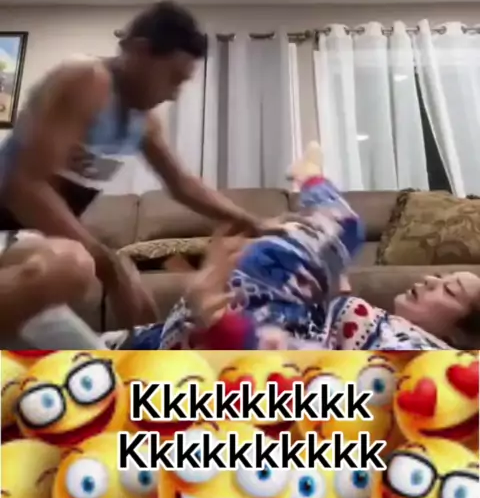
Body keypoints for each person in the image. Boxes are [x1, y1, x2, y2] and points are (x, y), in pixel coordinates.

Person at [0, 1, 281, 332]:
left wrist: (253, 222)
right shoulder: (87, 79)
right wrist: (108, 263)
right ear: (139, 51)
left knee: (134, 318)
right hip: (9, 227)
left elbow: (183, 184)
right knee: (78, 264)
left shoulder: (144, 123)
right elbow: (23, 187)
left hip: (28, 241)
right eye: (172, 78)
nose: (174, 95)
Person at [106, 144, 480, 351]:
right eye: (441, 277)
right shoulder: (391, 331)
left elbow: (297, 369)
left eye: (449, 289)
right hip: (202, 335)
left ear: (461, 337)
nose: (430, 279)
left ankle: (312, 178)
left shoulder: (422, 354)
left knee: (344, 227)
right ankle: (311, 179)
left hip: (226, 345)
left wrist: (222, 328)